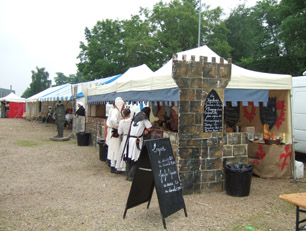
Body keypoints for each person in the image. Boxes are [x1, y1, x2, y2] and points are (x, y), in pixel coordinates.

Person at [124, 107, 152, 181]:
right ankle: (131, 175)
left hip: (130, 139)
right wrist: (146, 131)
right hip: (136, 140)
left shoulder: (135, 116)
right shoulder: (144, 118)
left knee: (129, 156)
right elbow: (149, 128)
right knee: (136, 157)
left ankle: (127, 175)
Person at [106, 97, 125, 173]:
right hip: (114, 131)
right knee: (114, 148)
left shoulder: (114, 110)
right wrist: (117, 126)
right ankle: (113, 166)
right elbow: (112, 120)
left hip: (113, 130)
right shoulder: (115, 111)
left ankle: (113, 164)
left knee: (114, 148)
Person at [116, 107, 131, 173]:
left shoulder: (121, 122)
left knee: (123, 151)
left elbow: (119, 132)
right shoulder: (132, 121)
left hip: (125, 137)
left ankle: (122, 166)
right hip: (131, 138)